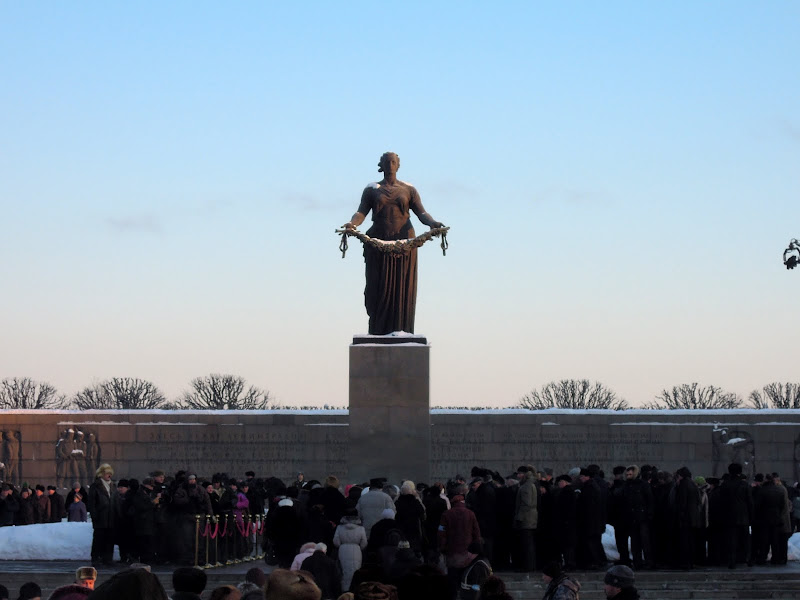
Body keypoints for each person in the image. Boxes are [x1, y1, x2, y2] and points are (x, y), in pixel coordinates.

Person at [342, 151, 445, 335]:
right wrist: (352, 224)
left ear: (398, 165)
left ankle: (401, 331)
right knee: (376, 290)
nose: (390, 165)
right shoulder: (372, 190)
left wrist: (433, 223)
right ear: (381, 165)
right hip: (378, 244)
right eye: (387, 162)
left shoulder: (408, 189)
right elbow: (361, 213)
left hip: (405, 245)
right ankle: (378, 331)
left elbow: (421, 213)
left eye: (393, 162)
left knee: (401, 292)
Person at [87, 463, 118, 566]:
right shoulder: (95, 486)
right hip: (100, 517)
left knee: (110, 539)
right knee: (99, 539)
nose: (109, 475)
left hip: (111, 517)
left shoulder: (113, 485)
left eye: (110, 473)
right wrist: (95, 516)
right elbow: (92, 503)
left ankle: (107, 558)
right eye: (106, 473)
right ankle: (96, 558)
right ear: (101, 474)